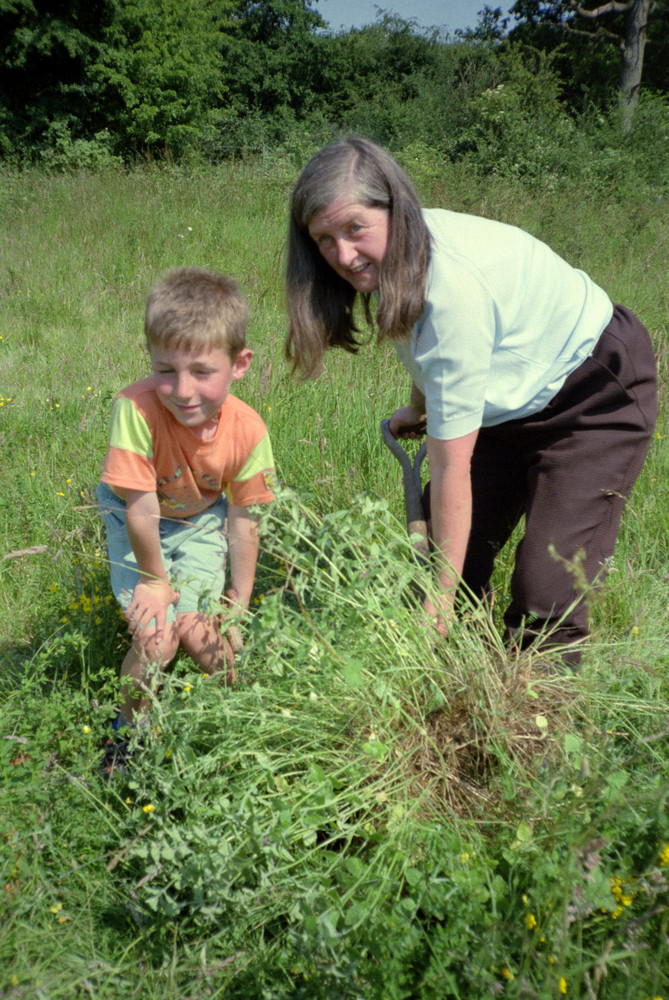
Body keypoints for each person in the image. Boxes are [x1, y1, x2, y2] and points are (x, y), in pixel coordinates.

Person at [285, 137, 657, 669]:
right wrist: (420, 405)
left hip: (592, 396)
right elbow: (422, 344)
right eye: (324, 239)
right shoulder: (396, 258)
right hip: (510, 403)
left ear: (395, 210)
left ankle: (536, 709)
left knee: (546, 589)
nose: (343, 255)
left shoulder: (451, 287)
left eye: (355, 229)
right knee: (439, 561)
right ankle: (460, 681)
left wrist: (437, 605)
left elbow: (450, 464)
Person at [97, 266, 275, 776]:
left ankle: (250, 721)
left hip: (199, 516)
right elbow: (141, 507)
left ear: (240, 364)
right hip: (134, 515)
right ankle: (127, 731)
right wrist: (155, 582)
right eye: (166, 370)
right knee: (157, 642)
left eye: (201, 371)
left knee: (202, 635)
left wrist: (240, 599)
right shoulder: (135, 409)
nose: (182, 390)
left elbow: (243, 519)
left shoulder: (248, 431)